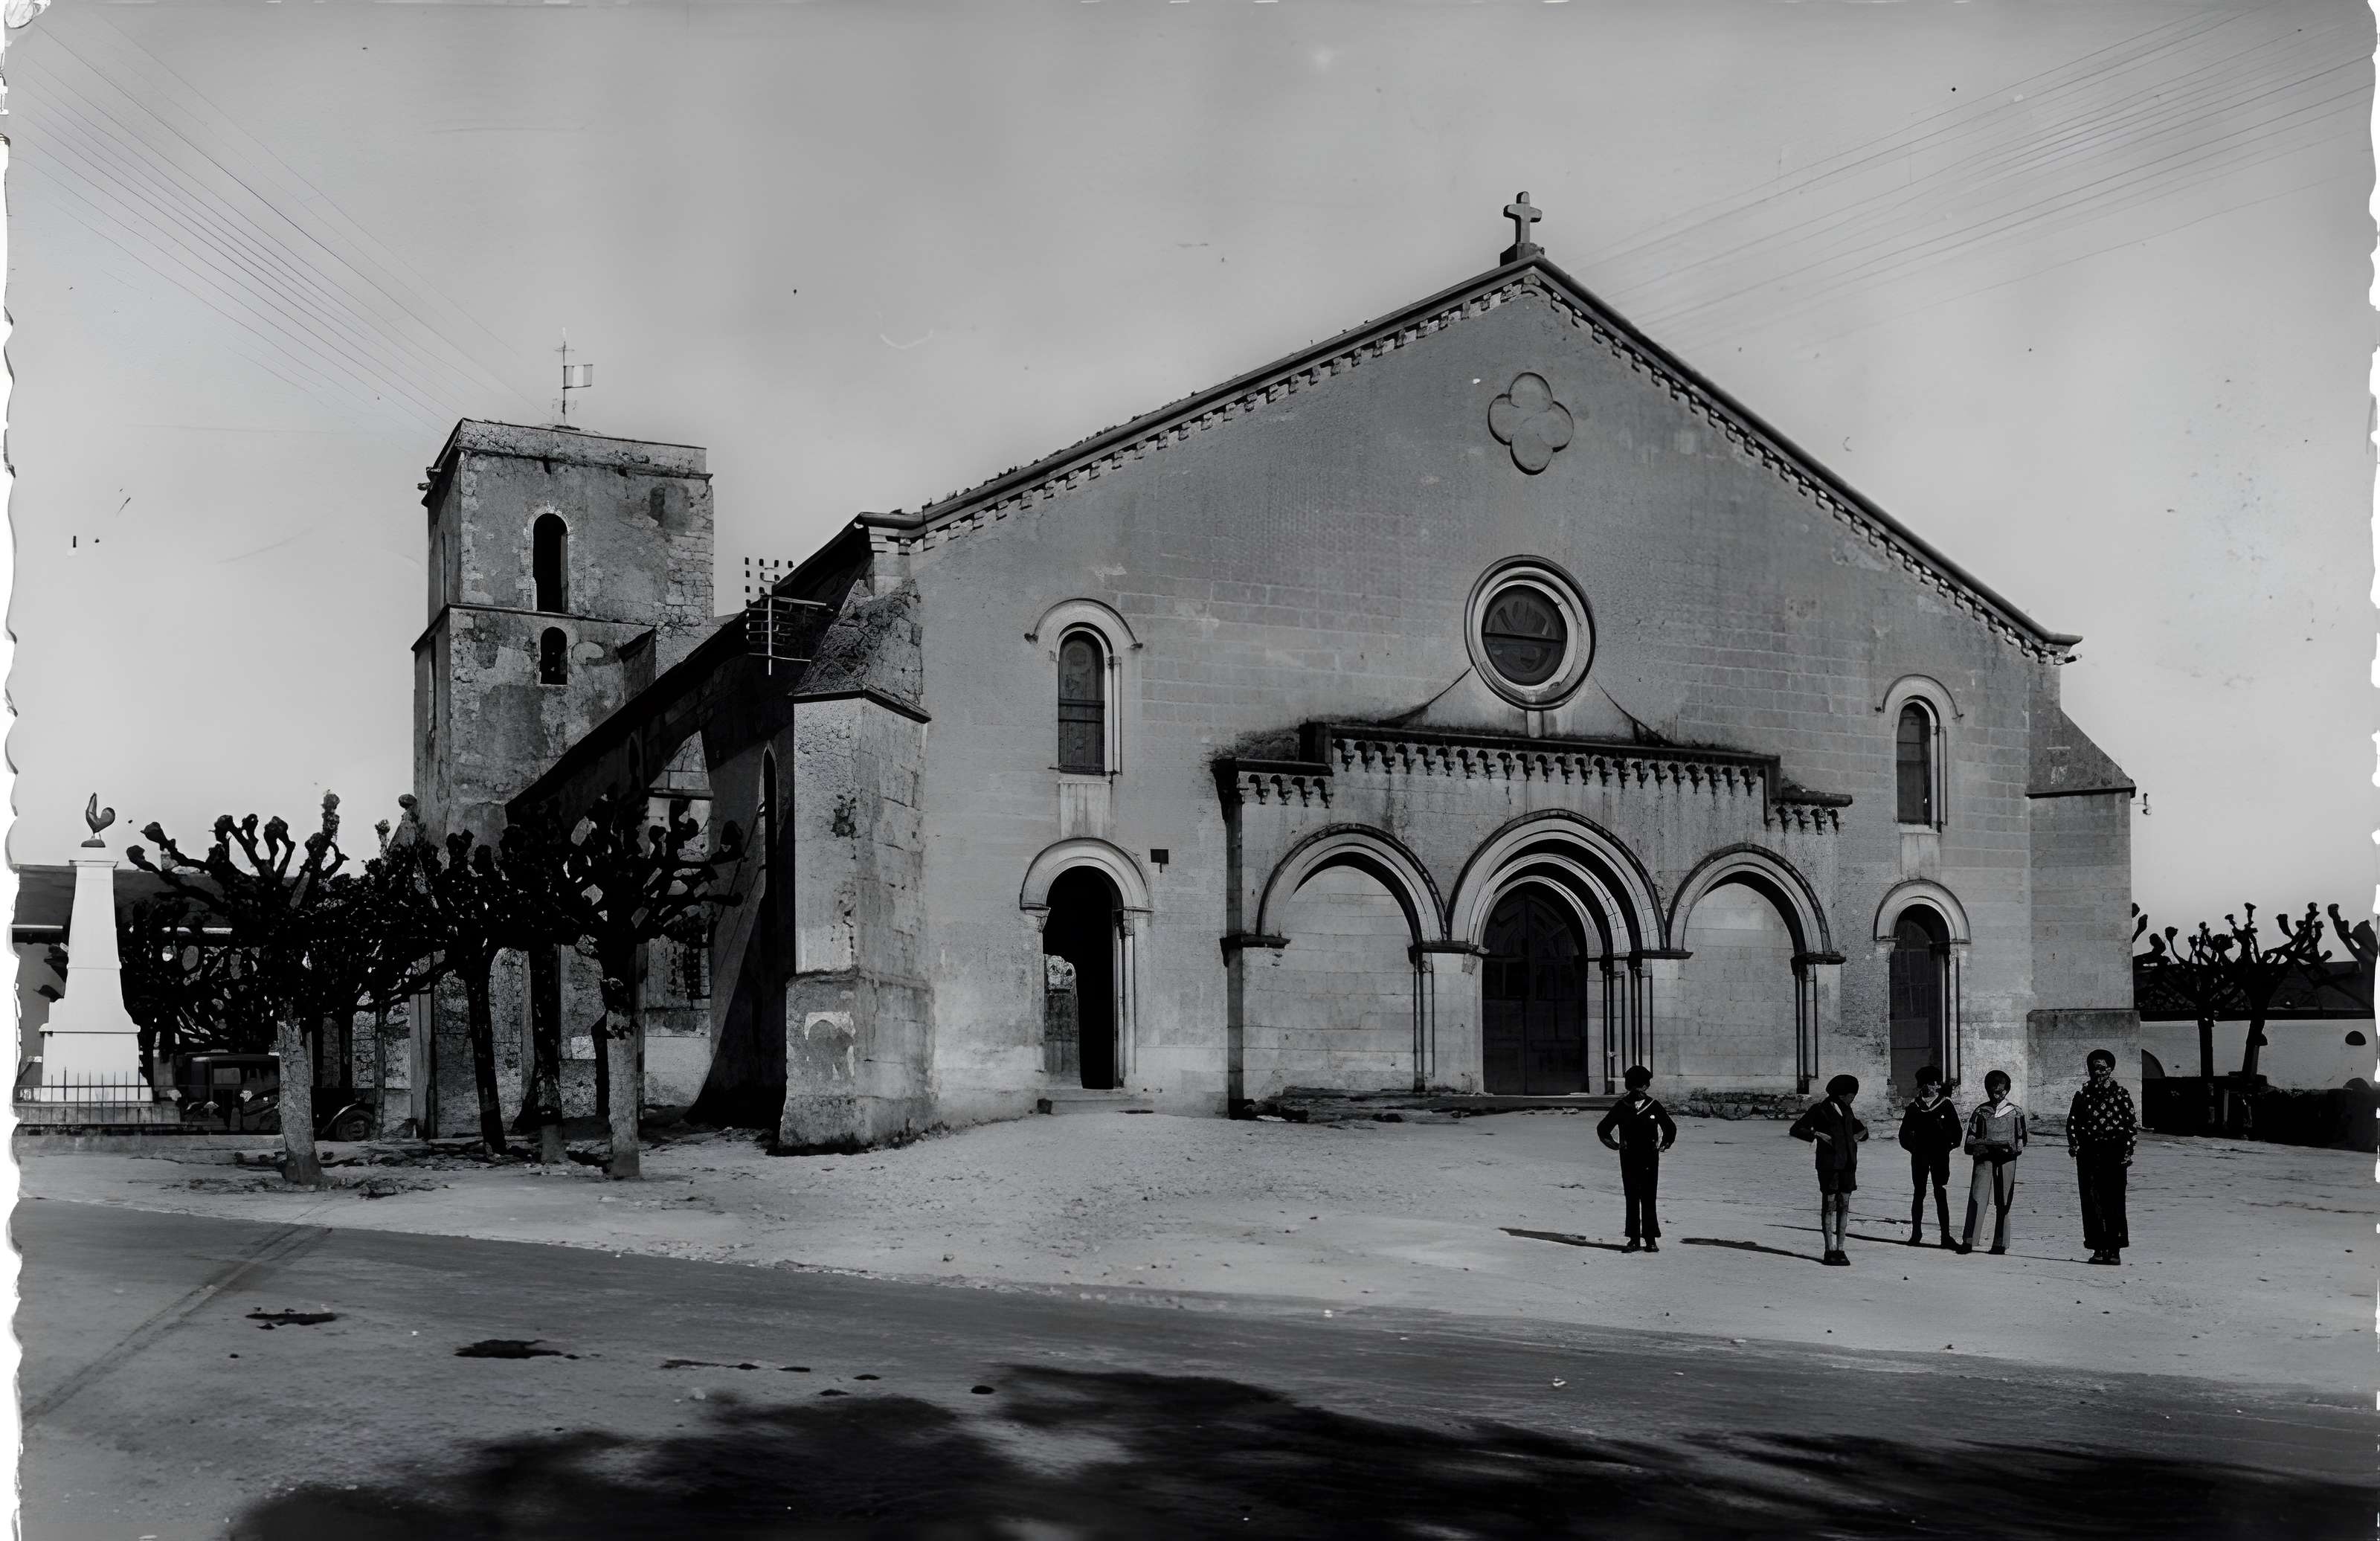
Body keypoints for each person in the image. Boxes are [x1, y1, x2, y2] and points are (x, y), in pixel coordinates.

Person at [1789, 1073, 1868, 1266]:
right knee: (1830, 1205)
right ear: (1841, 1095)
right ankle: (1829, 1249)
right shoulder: (1820, 1109)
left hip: (1849, 1164)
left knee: (1845, 1205)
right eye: (1851, 1095)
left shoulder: (1848, 1110)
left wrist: (1858, 1136)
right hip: (1829, 1165)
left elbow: (1862, 1131)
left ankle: (1841, 1249)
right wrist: (1818, 1134)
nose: (1853, 1098)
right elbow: (1797, 1129)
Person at [2068, 1049, 2138, 1266]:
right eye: (2093, 1068)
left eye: (2102, 1068)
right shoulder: (2082, 1095)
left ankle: (2115, 1250)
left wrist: (2127, 1150)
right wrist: (2076, 1145)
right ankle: (2098, 1248)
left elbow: (2131, 1125)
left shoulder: (2121, 1094)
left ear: (2110, 1069)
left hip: (2114, 1154)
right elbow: (2072, 1122)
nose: (2098, 1072)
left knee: (2114, 1201)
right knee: (2092, 1201)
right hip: (2089, 1154)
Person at [1596, 1064, 1676, 1252]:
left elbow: (1670, 1127)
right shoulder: (1621, 1107)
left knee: (1649, 1198)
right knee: (1631, 1197)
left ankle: (1650, 1239)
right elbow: (1603, 1129)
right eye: (1635, 1087)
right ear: (1628, 1087)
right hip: (1629, 1158)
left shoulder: (1654, 1105)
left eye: (1642, 1086)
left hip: (1650, 1159)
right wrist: (1614, 1144)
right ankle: (1633, 1239)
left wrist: (1665, 1143)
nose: (1639, 1091)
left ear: (1647, 1087)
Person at [1958, 1069, 2026, 1255]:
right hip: (1984, 1159)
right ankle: (1969, 1241)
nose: (1998, 1095)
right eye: (1994, 1091)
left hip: (2007, 1160)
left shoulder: (2016, 1113)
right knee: (1977, 1198)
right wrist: (1988, 1145)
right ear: (1988, 1090)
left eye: (2002, 1091)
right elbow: (1969, 1142)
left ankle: (2000, 1243)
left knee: (2004, 1201)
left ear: (2007, 1090)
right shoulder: (1980, 1112)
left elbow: (2020, 1143)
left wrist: (2007, 1148)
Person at [1896, 1066, 1962, 1248]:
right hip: (1920, 1157)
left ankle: (1945, 1237)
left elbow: (1957, 1133)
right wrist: (1914, 1149)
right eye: (1930, 1083)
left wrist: (1947, 1147)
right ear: (1922, 1085)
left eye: (1935, 1083)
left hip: (1940, 1156)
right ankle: (1916, 1234)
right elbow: (1904, 1135)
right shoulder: (1913, 1108)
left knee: (1940, 1192)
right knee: (1919, 1193)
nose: (1935, 1086)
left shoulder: (1946, 1105)